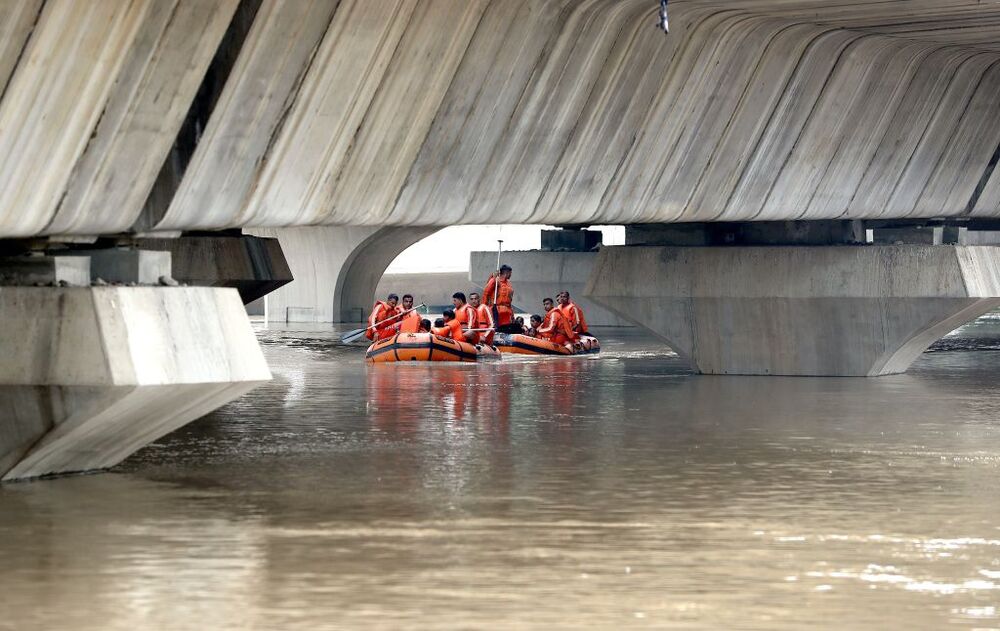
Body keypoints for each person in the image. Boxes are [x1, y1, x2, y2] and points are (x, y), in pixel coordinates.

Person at [484, 265, 518, 333]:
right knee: (496, 328)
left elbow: (510, 300)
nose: (511, 275)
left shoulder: (509, 284)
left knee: (506, 329)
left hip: (507, 311)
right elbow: (486, 292)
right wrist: (484, 307)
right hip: (496, 309)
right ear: (506, 272)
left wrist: (512, 314)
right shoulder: (495, 280)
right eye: (510, 273)